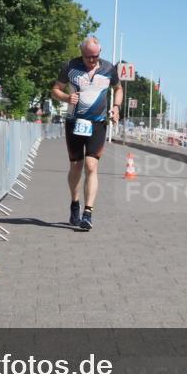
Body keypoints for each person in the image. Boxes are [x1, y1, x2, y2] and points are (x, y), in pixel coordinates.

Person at [51, 37, 122, 231]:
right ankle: (75, 203)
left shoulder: (108, 68)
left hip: (97, 123)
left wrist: (116, 107)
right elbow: (55, 90)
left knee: (91, 166)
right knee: (76, 166)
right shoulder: (70, 66)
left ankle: (87, 213)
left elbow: (118, 88)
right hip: (74, 122)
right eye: (88, 57)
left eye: (96, 56)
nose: (92, 60)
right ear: (81, 53)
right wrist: (66, 97)